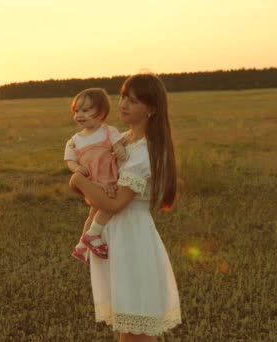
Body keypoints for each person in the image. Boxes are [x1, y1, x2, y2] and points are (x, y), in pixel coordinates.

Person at [69, 73, 181, 340]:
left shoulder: (145, 151)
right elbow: (98, 185)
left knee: (137, 329)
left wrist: (76, 180)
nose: (123, 105)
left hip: (132, 238)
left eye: (132, 101)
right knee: (128, 328)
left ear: (151, 109)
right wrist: (85, 182)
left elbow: (115, 202)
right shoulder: (122, 140)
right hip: (116, 235)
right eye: (122, 98)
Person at [64, 88, 127, 264]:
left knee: (94, 213)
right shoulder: (74, 140)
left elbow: (118, 145)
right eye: (76, 111)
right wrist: (77, 168)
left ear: (101, 113)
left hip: (109, 178)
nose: (79, 115)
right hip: (93, 183)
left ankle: (81, 246)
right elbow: (69, 160)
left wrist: (120, 150)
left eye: (85, 110)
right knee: (107, 206)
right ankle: (93, 235)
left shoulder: (109, 132)